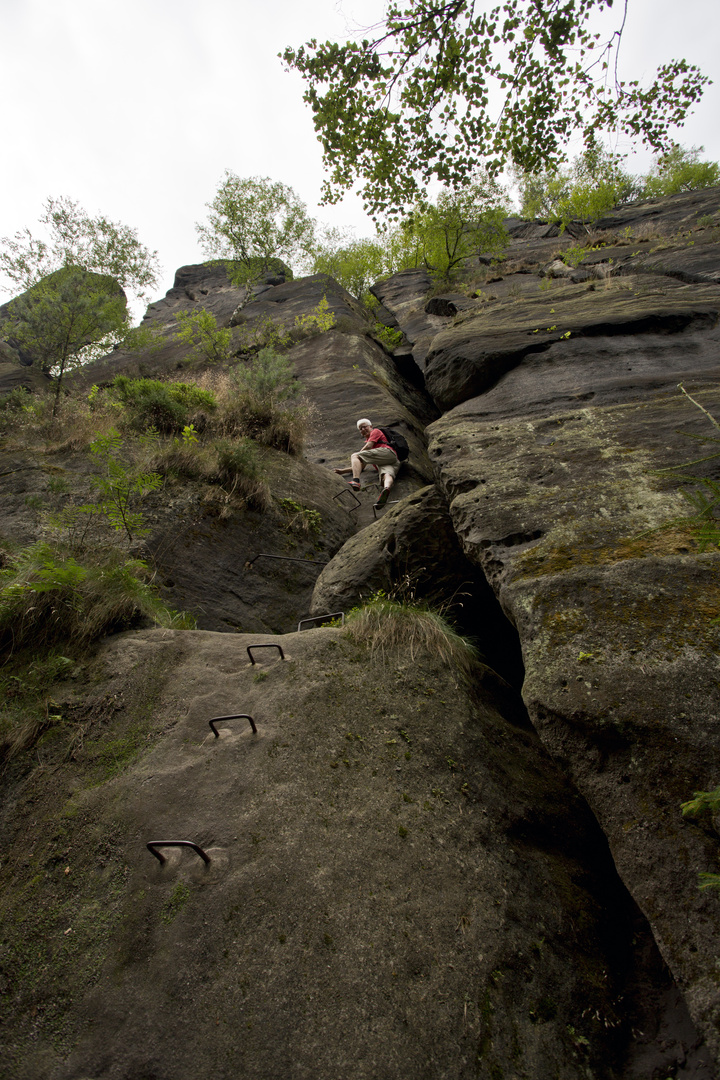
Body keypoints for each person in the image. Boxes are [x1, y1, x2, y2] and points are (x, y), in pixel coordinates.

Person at [334, 418, 399, 508]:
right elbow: (361, 466)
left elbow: (369, 445)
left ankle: (356, 481)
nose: (363, 429)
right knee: (387, 475)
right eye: (360, 429)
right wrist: (343, 471)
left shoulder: (375, 431)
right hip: (390, 460)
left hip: (386, 452)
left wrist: (358, 454)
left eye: (364, 427)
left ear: (371, 426)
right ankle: (386, 488)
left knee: (355, 456)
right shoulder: (371, 454)